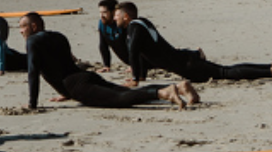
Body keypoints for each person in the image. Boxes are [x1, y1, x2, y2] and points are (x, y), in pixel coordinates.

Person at [22, 12, 193, 108]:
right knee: (122, 92)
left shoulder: (32, 41)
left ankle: (163, 92)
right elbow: (64, 66)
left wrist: (32, 104)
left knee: (119, 99)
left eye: (23, 26)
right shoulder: (59, 36)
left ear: (34, 26)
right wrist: (65, 94)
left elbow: (33, 72)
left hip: (77, 86)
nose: (21, 31)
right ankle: (178, 87)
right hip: (85, 76)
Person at [115, 1, 272, 84]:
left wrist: (136, 79)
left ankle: (270, 70)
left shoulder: (134, 28)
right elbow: (146, 52)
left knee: (224, 72)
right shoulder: (142, 23)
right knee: (225, 70)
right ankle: (270, 67)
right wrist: (142, 74)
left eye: (117, 16)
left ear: (126, 16)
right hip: (184, 60)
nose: (115, 19)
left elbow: (134, 51)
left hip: (186, 65)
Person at [94, 0, 127, 70]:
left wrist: (134, 65)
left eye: (105, 12)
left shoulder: (123, 23)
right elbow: (103, 45)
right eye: (100, 12)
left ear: (113, 12)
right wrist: (106, 65)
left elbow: (133, 46)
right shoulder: (102, 24)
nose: (101, 16)